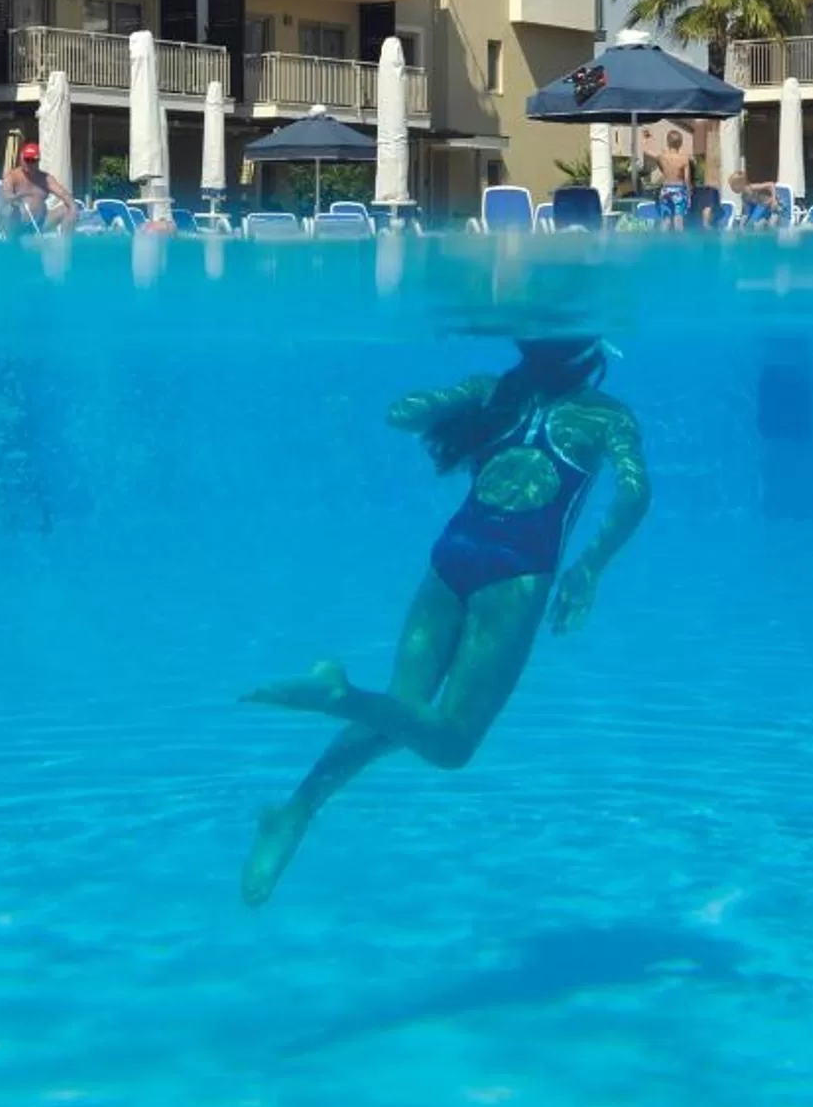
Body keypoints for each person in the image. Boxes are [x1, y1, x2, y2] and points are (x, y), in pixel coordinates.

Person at [238, 336, 651, 904]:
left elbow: (401, 412)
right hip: (517, 572)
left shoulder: (492, 391)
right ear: (589, 350)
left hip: (449, 559)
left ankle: (293, 812)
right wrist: (590, 567)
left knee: (399, 715)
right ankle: (337, 694)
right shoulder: (606, 414)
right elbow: (635, 493)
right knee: (452, 744)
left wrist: (455, 401)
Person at [1, 143, 76, 233]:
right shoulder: (12, 176)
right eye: (26, 160)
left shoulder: (45, 178)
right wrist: (19, 196)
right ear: (21, 158)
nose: (29, 163)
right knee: (8, 210)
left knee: (69, 208)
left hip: (41, 223)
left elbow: (64, 194)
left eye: (32, 160)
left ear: (38, 161)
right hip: (18, 224)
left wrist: (72, 206)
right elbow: (6, 197)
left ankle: (66, 244)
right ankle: (10, 243)